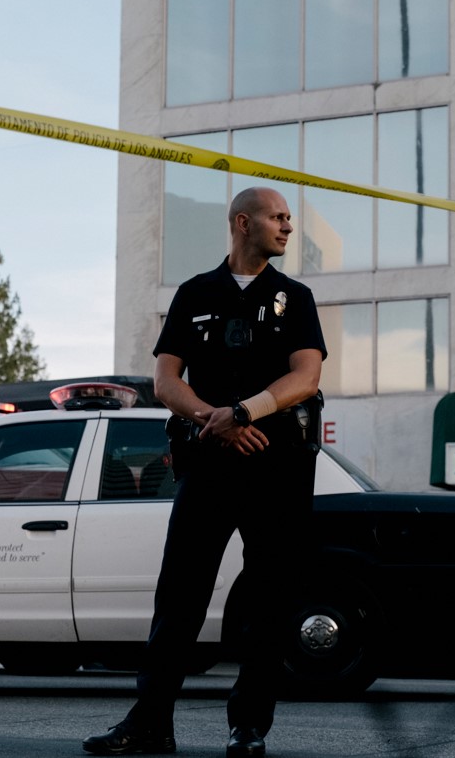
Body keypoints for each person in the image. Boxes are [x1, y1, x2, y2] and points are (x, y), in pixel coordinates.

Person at [82, 187, 326, 757]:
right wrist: (215, 421)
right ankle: (150, 723)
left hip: (278, 468)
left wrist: (243, 412)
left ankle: (249, 727)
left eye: (289, 218)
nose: (288, 227)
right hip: (211, 464)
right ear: (243, 223)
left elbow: (306, 377)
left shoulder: (296, 297)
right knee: (179, 597)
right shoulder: (194, 293)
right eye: (277, 217)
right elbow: (166, 382)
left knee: (267, 601)